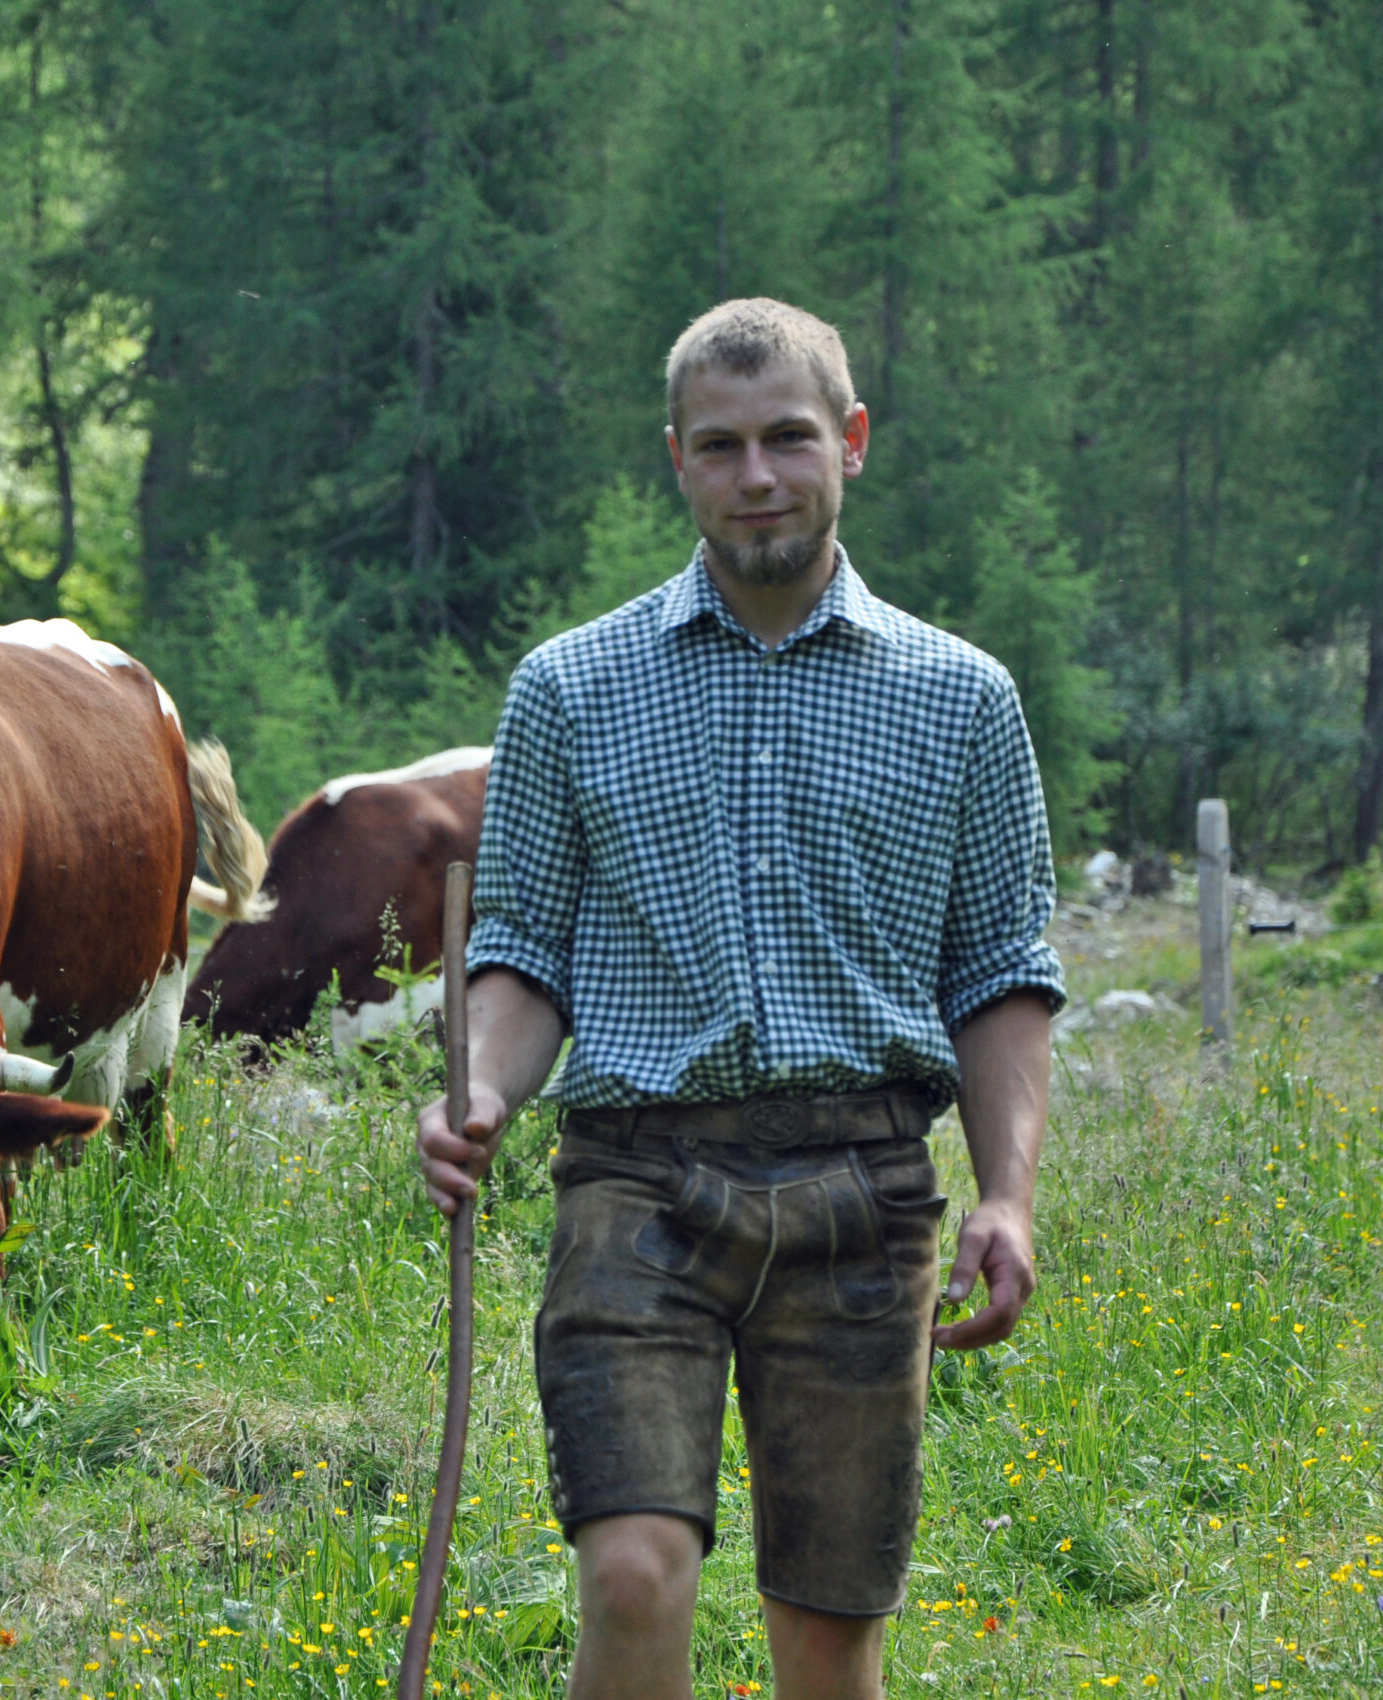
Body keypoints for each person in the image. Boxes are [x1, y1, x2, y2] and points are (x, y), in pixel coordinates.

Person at [415, 297, 1064, 1700]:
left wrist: (1005, 1193)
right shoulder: (570, 690)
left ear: (854, 442)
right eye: (721, 446)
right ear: (677, 460)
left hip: (865, 1195)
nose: (757, 475)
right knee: (634, 1568)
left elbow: (1003, 974)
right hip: (638, 1185)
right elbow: (523, 949)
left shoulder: (965, 699)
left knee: (826, 1645)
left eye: (788, 438)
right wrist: (478, 1087)